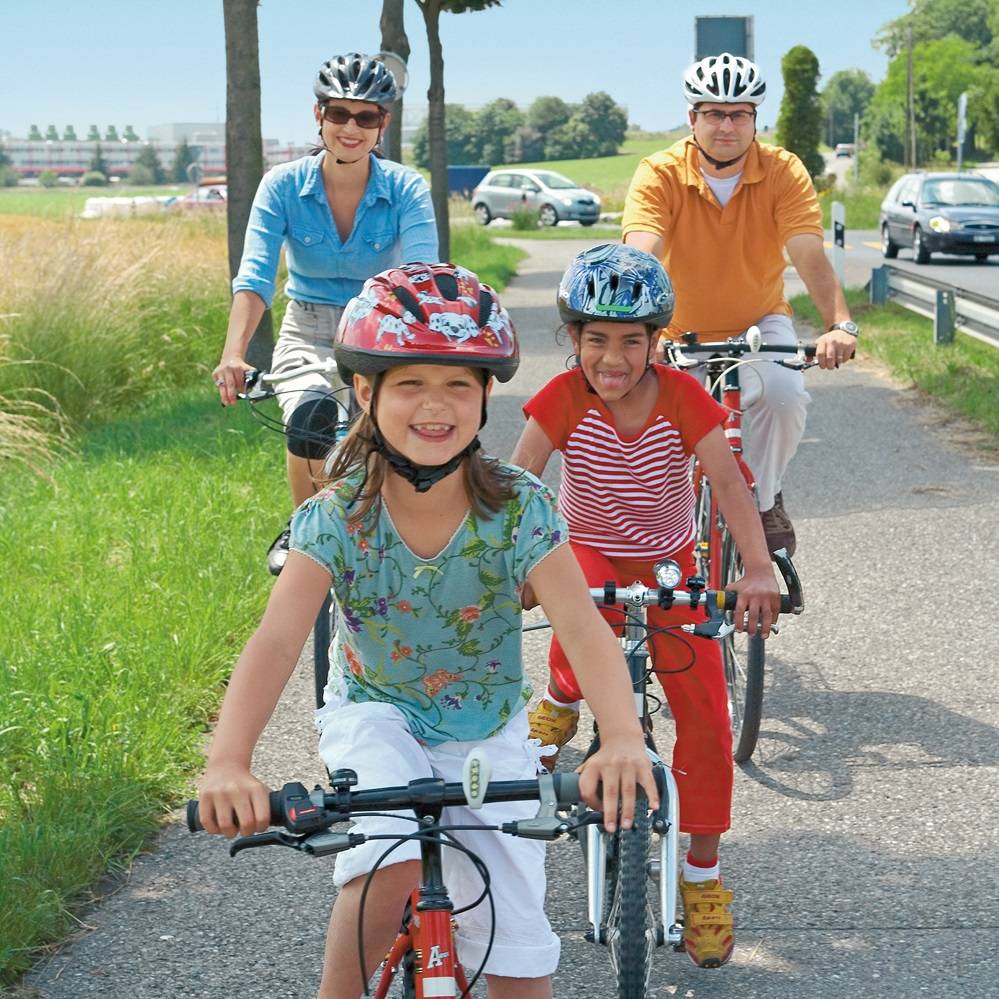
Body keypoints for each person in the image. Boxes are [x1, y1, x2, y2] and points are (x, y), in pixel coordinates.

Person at [197, 262, 658, 999]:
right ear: (365, 391)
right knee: (392, 860)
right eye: (410, 383)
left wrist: (624, 737)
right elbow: (277, 642)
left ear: (484, 395)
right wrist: (229, 761)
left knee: (522, 968)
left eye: (458, 384)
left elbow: (584, 628)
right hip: (378, 714)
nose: (435, 406)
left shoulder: (520, 508)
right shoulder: (336, 516)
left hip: (488, 730)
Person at [513, 243, 781, 969]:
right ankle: (560, 694)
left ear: (655, 342)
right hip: (585, 550)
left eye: (631, 341)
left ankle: (700, 874)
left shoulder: (680, 396)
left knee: (703, 708)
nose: (613, 357)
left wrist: (756, 568)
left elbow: (727, 486)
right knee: (579, 626)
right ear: (572, 340)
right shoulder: (560, 397)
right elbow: (519, 482)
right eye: (595, 339)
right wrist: (512, 563)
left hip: (668, 559)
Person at [622, 52, 860, 557]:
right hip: (675, 329)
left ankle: (765, 497)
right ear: (692, 119)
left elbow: (807, 252)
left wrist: (839, 324)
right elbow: (642, 253)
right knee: (656, 436)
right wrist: (637, 334)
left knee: (784, 396)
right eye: (714, 113)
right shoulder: (659, 173)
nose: (726, 125)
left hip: (758, 323)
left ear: (755, 119)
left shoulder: (782, 171)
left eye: (739, 114)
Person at [212, 52, 438, 574]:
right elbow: (255, 279)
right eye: (339, 113)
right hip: (309, 327)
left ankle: (405, 534)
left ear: (384, 123)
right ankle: (306, 530)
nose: (351, 128)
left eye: (366, 116)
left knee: (396, 437)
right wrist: (233, 355)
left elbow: (423, 276)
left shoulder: (407, 188)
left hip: (382, 327)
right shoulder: (283, 185)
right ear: (320, 117)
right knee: (312, 414)